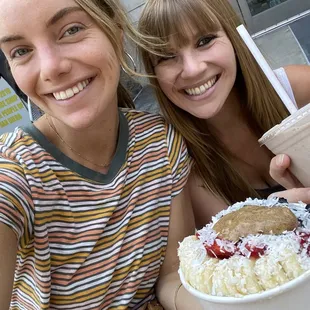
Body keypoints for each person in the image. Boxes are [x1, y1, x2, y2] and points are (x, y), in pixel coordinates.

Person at [0, 0, 200, 309]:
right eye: (21, 51)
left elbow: (174, 275)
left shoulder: (160, 141)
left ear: (116, 35)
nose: (51, 67)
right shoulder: (14, 171)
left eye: (72, 30)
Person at [138, 0, 310, 227]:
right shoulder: (184, 164)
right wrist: (275, 215)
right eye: (166, 56)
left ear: (234, 36)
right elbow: (234, 253)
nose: (192, 69)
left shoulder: (297, 89)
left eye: (204, 41)